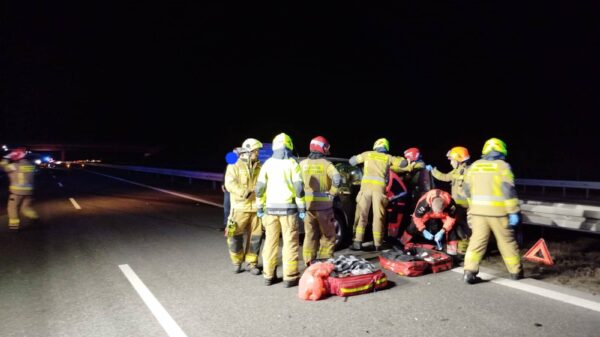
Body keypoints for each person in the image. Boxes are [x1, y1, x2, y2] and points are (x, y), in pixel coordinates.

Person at [462, 138, 522, 284]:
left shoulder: (475, 166)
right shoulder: (503, 166)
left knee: (476, 242)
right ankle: (516, 272)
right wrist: (513, 211)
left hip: (477, 212)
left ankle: (469, 271)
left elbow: (466, 190)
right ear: (501, 150)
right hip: (498, 213)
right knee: (507, 242)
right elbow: (508, 190)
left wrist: (472, 208)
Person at [255, 133, 305, 287]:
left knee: (270, 242)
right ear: (289, 146)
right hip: (288, 210)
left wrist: (259, 207)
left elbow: (259, 189)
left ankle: (268, 276)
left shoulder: (267, 164)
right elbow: (298, 189)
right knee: (290, 243)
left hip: (270, 210)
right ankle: (289, 278)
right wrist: (302, 208)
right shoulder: (292, 163)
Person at [349, 138, 407, 251]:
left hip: (365, 189)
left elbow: (352, 161)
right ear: (386, 147)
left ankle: (357, 241)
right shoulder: (388, 157)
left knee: (362, 215)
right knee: (378, 216)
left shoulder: (367, 154)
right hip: (379, 190)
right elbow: (403, 163)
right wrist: (401, 158)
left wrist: (356, 158)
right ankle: (378, 244)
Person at [299, 136, 341, 265]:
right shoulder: (327, 164)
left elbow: (296, 184)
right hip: (324, 208)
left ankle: (309, 263)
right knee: (328, 236)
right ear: (323, 148)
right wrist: (333, 193)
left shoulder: (302, 164)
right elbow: (337, 179)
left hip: (308, 207)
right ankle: (324, 263)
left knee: (310, 235)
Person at [224, 139, 263, 275]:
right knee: (234, 236)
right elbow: (229, 183)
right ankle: (237, 261)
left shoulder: (259, 166)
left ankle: (251, 263)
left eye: (258, 151)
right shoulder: (234, 164)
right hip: (240, 208)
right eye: (255, 151)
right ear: (248, 151)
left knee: (256, 238)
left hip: (256, 209)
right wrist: (243, 192)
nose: (257, 153)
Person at [430, 146, 471, 255]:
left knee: (463, 226)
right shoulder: (456, 171)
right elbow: (444, 177)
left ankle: (466, 247)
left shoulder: (469, 171)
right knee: (457, 225)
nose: (451, 163)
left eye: (452, 160)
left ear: (458, 159)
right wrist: (433, 171)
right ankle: (463, 247)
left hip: (467, 206)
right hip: (458, 206)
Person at [400, 189, 459, 255]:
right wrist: (423, 230)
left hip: (443, 214)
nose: (436, 213)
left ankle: (452, 252)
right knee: (413, 226)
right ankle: (402, 243)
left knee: (451, 228)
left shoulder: (451, 204)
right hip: (428, 213)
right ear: (430, 205)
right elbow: (416, 218)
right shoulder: (423, 203)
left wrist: (442, 231)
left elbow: (451, 219)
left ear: (445, 206)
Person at [1, 148, 38, 230]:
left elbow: (2, 167)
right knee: (26, 208)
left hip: (16, 192)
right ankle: (34, 216)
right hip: (29, 192)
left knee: (12, 208)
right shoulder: (31, 165)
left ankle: (14, 226)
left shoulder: (13, 166)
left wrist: (6, 157)